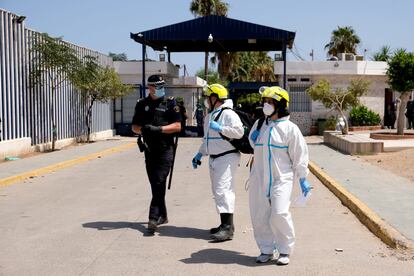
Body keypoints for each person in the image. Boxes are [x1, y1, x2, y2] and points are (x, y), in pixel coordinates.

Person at [248, 86, 311, 265]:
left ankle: (284, 250)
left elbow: (299, 154)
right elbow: (254, 145)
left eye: (271, 102)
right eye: (265, 102)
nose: (266, 105)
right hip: (259, 177)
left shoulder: (290, 129)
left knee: (279, 212)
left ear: (281, 105)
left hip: (281, 178)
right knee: (259, 214)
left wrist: (303, 178)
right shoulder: (260, 124)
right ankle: (266, 249)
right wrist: (251, 137)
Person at [192, 83, 244, 242]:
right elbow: (207, 140)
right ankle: (225, 224)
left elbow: (239, 132)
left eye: (209, 97)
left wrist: (221, 128)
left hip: (227, 157)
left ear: (216, 97)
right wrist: (199, 154)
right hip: (214, 158)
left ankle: (227, 228)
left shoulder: (228, 114)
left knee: (224, 190)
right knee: (218, 192)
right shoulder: (210, 116)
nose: (207, 100)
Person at [131, 75, 181, 234]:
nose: (161, 88)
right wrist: (143, 129)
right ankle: (163, 215)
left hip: (166, 149)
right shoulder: (142, 104)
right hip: (149, 149)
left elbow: (178, 126)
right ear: (150, 87)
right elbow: (134, 127)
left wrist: (159, 129)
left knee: (159, 181)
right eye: (157, 85)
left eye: (162, 85)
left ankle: (153, 218)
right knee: (155, 184)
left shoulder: (170, 103)